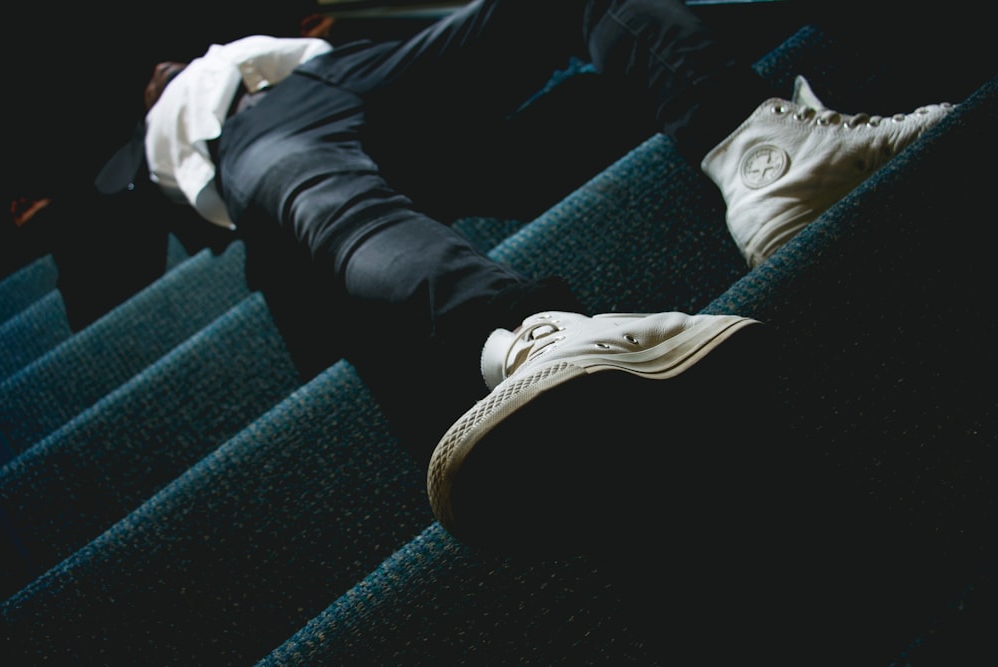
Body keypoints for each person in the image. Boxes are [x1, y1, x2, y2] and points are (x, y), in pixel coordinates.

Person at [93, 0, 954, 551]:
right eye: (151, 79)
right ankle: (525, 342)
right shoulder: (165, 148)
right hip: (261, 149)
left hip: (345, 77)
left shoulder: (269, 44)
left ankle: (765, 149)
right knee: (323, 206)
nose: (163, 71)